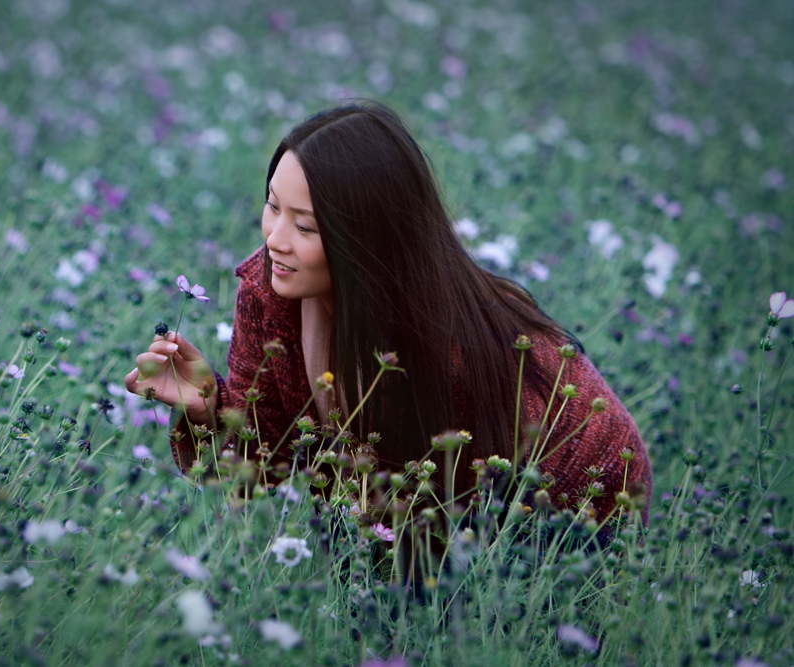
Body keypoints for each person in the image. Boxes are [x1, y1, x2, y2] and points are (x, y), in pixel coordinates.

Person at [125, 100, 652, 527]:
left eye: (305, 226)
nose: (275, 239)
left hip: (573, 517)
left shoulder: (442, 342)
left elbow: (435, 519)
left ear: (365, 239)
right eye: (272, 206)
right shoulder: (268, 290)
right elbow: (266, 466)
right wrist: (207, 408)